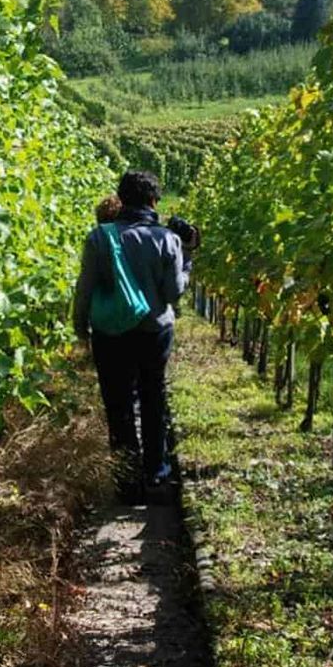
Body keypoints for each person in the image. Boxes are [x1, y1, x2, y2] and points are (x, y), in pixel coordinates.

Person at [74, 169, 192, 498]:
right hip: (154, 331)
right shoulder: (167, 239)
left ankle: (127, 481)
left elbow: (85, 288)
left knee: (119, 404)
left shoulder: (99, 237)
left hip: (110, 334)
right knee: (154, 398)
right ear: (154, 201)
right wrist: (187, 263)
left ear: (122, 199)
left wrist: (80, 327)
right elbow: (173, 293)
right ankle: (156, 473)